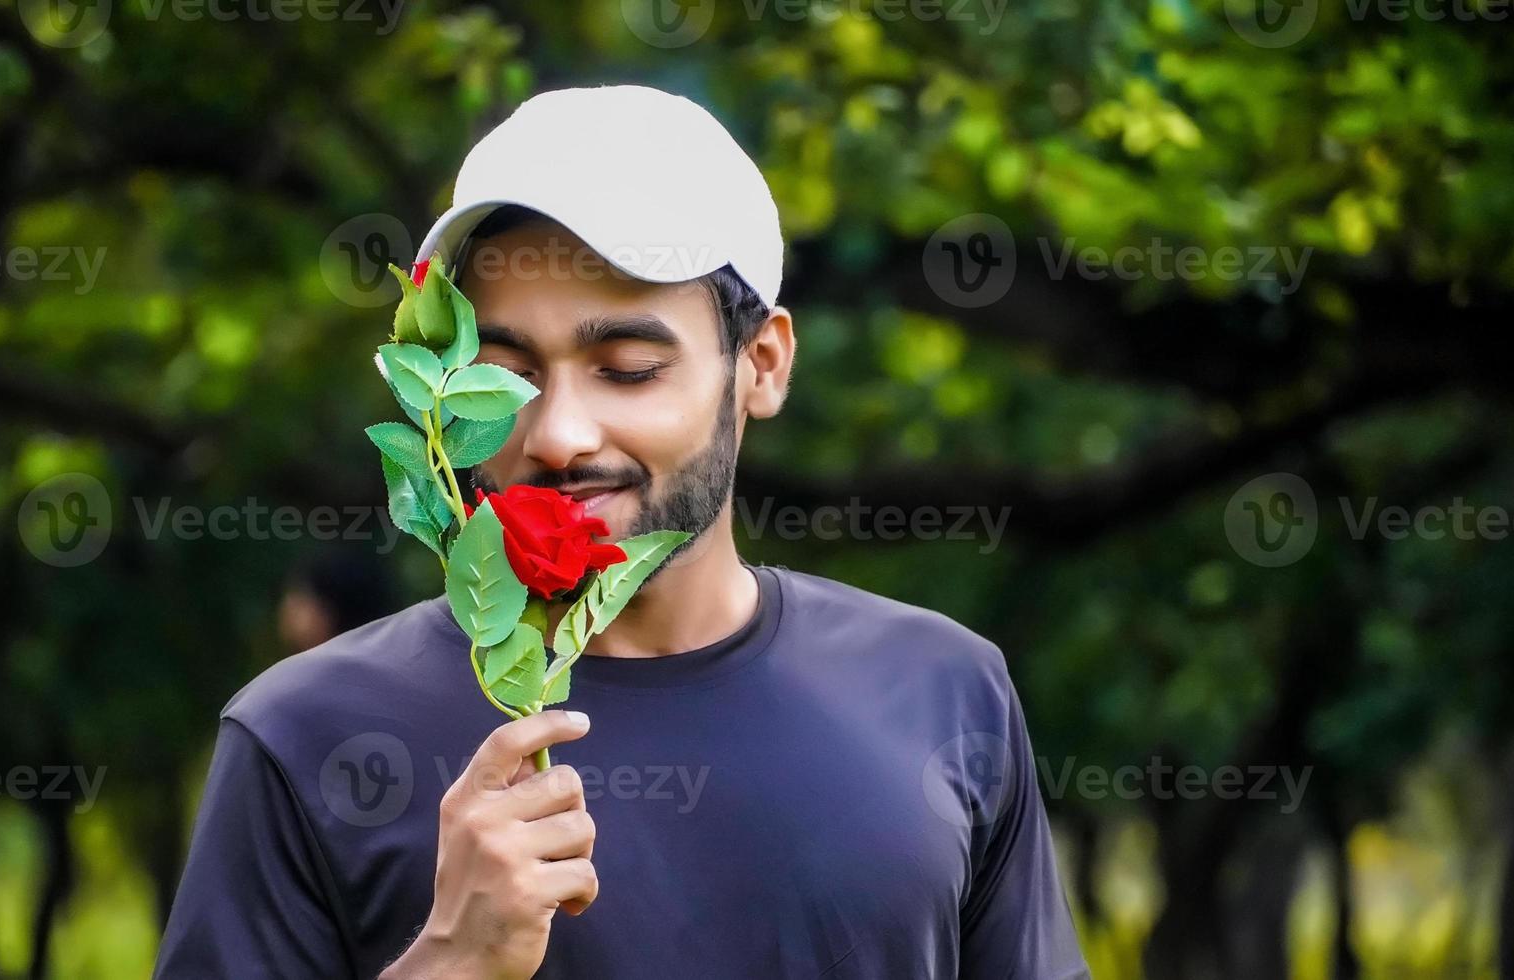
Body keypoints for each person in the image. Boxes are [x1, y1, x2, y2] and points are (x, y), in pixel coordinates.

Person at [154, 84, 1089, 980]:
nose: (557, 434)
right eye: (504, 374)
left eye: (628, 368)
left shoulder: (942, 693)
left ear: (759, 366)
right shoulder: (303, 734)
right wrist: (450, 964)